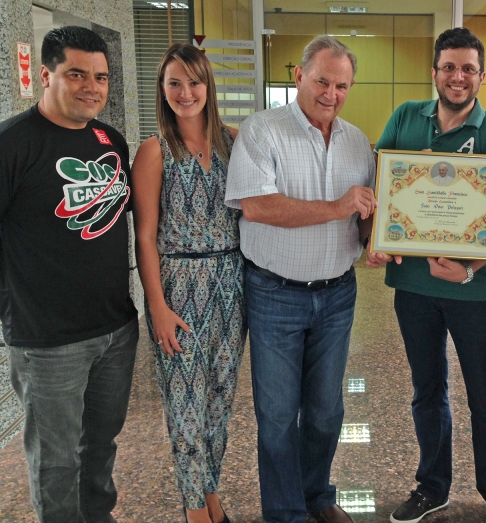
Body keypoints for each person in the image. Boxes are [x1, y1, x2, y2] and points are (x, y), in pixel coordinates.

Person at [368, 27, 486, 523]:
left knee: (485, 393)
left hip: (472, 292)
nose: (458, 77)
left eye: (468, 69)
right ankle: (432, 487)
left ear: (481, 76)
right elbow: (383, 183)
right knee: (427, 391)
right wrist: (379, 238)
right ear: (434, 71)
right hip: (413, 288)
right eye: (449, 67)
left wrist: (470, 268)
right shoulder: (405, 117)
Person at [225, 35, 375, 523]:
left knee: (327, 412)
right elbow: (258, 207)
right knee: (276, 416)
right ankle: (286, 514)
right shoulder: (262, 130)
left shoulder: (357, 142)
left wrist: (379, 239)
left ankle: (317, 497)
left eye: (341, 85)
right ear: (299, 76)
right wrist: (338, 207)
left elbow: (365, 217)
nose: (331, 93)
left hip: (337, 295)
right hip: (275, 294)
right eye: (322, 81)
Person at [0, 26, 139, 522]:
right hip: (48, 340)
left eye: (100, 77)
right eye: (76, 74)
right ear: (45, 75)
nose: (91, 87)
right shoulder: (14, 143)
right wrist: (13, 309)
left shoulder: (109, 140)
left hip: (115, 328)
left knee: (100, 445)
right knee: (56, 461)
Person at [131, 43, 246, 523]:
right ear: (162, 89)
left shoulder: (234, 143)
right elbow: (144, 236)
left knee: (220, 401)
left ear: (208, 86)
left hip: (231, 285)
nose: (185, 92)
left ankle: (211, 492)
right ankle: (194, 508)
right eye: (174, 83)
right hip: (178, 287)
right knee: (184, 405)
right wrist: (156, 306)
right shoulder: (154, 150)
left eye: (194, 82)